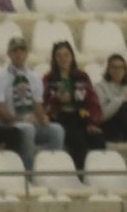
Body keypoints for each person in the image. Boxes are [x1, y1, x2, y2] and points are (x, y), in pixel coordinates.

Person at [0, 35, 66, 167]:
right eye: (15, 51)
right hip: (10, 124)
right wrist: (21, 120)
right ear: (9, 54)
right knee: (28, 129)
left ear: (26, 53)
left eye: (22, 50)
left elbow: (37, 105)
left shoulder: (34, 77)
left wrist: (42, 118)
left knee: (56, 130)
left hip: (30, 122)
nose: (19, 54)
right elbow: (0, 109)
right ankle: (27, 173)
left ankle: (50, 169)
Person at [41, 41, 105, 169]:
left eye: (66, 55)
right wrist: (57, 100)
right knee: (78, 141)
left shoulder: (81, 76)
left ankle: (98, 174)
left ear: (72, 56)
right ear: (54, 58)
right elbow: (44, 102)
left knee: (98, 138)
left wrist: (92, 122)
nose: (63, 58)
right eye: (59, 55)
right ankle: (81, 175)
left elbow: (92, 101)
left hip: (81, 116)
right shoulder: (49, 78)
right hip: (60, 117)